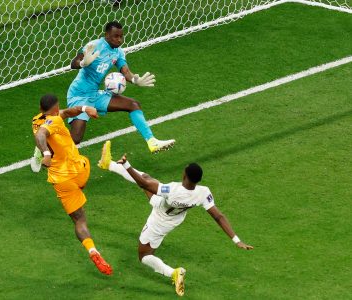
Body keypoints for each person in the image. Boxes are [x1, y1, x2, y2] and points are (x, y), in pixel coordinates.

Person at [97, 141, 253, 296]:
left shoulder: (172, 190)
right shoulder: (203, 192)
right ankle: (108, 164)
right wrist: (236, 240)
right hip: (173, 218)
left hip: (159, 220)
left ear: (185, 175)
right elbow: (218, 216)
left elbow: (143, 184)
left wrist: (127, 165)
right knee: (146, 176)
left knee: (144, 256)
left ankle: (173, 272)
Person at [30, 21, 175, 172]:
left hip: (94, 94)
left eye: (121, 36)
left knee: (133, 104)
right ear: (106, 35)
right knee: (76, 138)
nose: (119, 40)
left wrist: (135, 80)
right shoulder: (94, 46)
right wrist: (83, 63)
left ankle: (152, 141)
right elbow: (74, 63)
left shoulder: (118, 52)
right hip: (78, 95)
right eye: (115, 36)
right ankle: (42, 150)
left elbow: (125, 72)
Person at [32, 94, 112, 275]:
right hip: (79, 170)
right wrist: (45, 153)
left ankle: (93, 250)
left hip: (60, 180)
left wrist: (85, 109)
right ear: (54, 108)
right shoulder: (52, 122)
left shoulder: (37, 120)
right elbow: (43, 133)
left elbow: (66, 113)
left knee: (79, 219)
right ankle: (112, 165)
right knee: (84, 161)